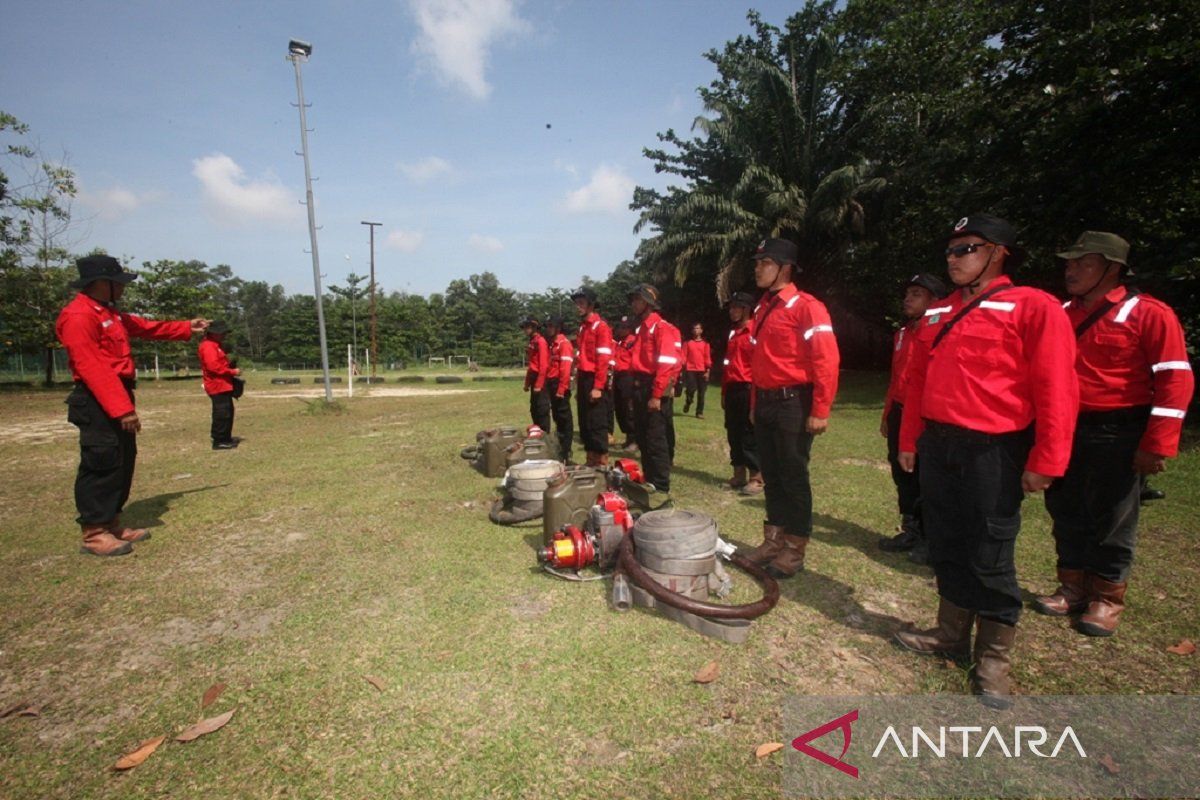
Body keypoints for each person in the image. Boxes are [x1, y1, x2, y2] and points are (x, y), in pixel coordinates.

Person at [894, 214, 1078, 708]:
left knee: (990, 549)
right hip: (938, 444)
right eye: (951, 250)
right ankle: (949, 634)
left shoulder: (1033, 307)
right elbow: (917, 385)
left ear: (998, 252)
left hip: (993, 451)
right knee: (947, 540)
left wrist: (1049, 459)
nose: (954, 259)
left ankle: (994, 658)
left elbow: (1057, 387)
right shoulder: (936, 314)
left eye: (966, 248)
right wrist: (910, 439)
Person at [1037, 231, 1193, 636]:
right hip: (1065, 428)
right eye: (1069, 262)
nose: (1070, 269)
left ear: (1113, 268)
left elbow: (1175, 382)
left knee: (1113, 519)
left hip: (1118, 431)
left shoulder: (1148, 313)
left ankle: (1106, 598)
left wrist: (1156, 443)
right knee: (1066, 510)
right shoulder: (1060, 312)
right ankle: (1072, 587)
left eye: (1082, 262)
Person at [55, 255, 208, 556]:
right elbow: (91, 366)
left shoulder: (107, 313)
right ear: (102, 284)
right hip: (98, 397)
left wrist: (187, 327)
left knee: (123, 458)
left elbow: (146, 327)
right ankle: (94, 532)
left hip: (118, 391)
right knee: (102, 460)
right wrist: (120, 408)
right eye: (119, 283)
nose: (123, 289)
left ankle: (112, 521)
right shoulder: (79, 316)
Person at [740, 238, 840, 579]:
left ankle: (794, 548)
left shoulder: (807, 306)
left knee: (793, 476)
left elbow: (826, 358)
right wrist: (755, 403)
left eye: (763, 262)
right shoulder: (762, 308)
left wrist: (821, 408)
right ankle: (773, 540)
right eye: (757, 262)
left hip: (794, 402)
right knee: (773, 475)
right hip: (767, 402)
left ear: (784, 267)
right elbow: (759, 362)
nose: (756, 268)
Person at [878, 273, 947, 563]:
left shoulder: (943, 331)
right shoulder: (903, 333)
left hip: (928, 417)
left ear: (935, 301)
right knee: (902, 473)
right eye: (907, 293)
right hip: (900, 412)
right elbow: (896, 379)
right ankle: (911, 529)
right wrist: (887, 414)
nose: (908, 299)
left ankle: (934, 539)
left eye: (917, 294)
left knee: (929, 478)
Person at [628, 283, 681, 492]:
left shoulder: (662, 328)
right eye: (633, 300)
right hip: (640, 386)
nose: (634, 304)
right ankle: (650, 480)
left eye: (638, 300)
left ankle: (660, 486)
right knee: (643, 437)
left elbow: (666, 363)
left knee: (655, 439)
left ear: (649, 303)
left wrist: (657, 394)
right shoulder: (642, 329)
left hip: (653, 387)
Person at [721, 292, 761, 493]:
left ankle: (756, 476)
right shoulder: (733, 333)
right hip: (732, 389)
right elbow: (728, 364)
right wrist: (724, 391)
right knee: (733, 431)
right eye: (731, 307)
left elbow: (758, 365)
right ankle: (738, 474)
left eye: (735, 307)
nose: (732, 311)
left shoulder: (755, 331)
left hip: (748, 388)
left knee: (748, 433)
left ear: (746, 309)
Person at [571, 287, 615, 467]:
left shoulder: (601, 327)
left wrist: (598, 386)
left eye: (581, 303)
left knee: (597, 423)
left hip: (595, 380)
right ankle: (590, 461)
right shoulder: (582, 328)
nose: (578, 307)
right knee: (585, 422)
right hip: (583, 378)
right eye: (576, 303)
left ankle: (602, 463)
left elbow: (603, 359)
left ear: (591, 305)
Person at [199, 320, 242, 450]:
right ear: (214, 333)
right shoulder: (208, 346)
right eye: (222, 333)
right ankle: (219, 440)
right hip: (217, 385)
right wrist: (232, 371)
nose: (224, 335)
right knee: (221, 413)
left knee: (228, 411)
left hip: (223, 384)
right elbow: (213, 367)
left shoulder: (215, 345)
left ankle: (226, 437)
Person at [544, 315, 575, 463]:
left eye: (551, 326)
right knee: (557, 416)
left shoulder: (564, 344)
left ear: (558, 328)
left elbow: (566, 368)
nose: (548, 329)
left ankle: (566, 450)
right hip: (552, 383)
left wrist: (562, 389)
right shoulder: (552, 344)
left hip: (559, 384)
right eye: (547, 326)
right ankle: (560, 446)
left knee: (564, 418)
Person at [612, 316, 638, 450]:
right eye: (619, 327)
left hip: (628, 376)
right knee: (620, 407)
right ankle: (628, 437)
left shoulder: (633, 341)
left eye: (624, 327)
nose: (621, 330)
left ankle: (634, 439)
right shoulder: (619, 342)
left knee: (628, 408)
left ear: (629, 328)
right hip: (618, 376)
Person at [521, 316, 551, 432]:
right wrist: (527, 383)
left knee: (542, 408)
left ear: (534, 327)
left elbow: (543, 365)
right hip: (534, 379)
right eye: (524, 327)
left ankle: (545, 434)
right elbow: (531, 365)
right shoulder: (532, 342)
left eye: (527, 327)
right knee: (534, 408)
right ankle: (537, 432)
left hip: (541, 380)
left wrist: (539, 384)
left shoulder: (541, 341)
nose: (525, 330)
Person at [682, 323, 713, 418]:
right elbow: (683, 356)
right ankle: (688, 401)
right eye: (694, 328)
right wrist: (681, 367)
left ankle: (699, 412)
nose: (696, 330)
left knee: (701, 392)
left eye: (697, 328)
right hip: (690, 369)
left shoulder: (705, 344)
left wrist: (708, 371)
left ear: (701, 330)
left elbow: (707, 357)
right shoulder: (687, 343)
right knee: (691, 388)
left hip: (702, 370)